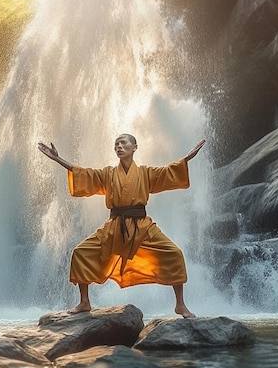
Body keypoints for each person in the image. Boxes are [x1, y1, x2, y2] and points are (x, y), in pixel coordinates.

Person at [38, 134, 206, 318]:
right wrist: (57, 159)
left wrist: (186, 159)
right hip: (115, 225)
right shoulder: (108, 174)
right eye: (116, 144)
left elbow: (168, 172)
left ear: (135, 147)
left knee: (174, 254)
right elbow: (85, 174)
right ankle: (84, 302)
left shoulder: (145, 173)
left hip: (142, 225)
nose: (119, 146)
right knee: (81, 252)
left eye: (123, 142)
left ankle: (180, 305)